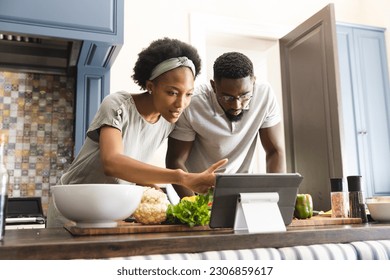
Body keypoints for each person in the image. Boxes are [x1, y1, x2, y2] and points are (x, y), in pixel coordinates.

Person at [47, 38, 227, 227]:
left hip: (109, 211)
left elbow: (131, 164)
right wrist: (181, 176)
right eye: (172, 93)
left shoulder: (169, 120)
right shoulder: (117, 104)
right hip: (73, 206)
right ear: (150, 86)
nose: (180, 104)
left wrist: (153, 190)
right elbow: (112, 163)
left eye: (188, 94)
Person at [166, 52, 286, 197]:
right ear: (213, 86)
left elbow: (275, 151)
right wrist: (193, 205)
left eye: (244, 95)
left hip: (243, 191)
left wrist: (277, 199)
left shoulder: (264, 95)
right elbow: (175, 160)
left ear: (253, 82)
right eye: (228, 97)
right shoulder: (192, 103)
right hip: (198, 192)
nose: (237, 105)